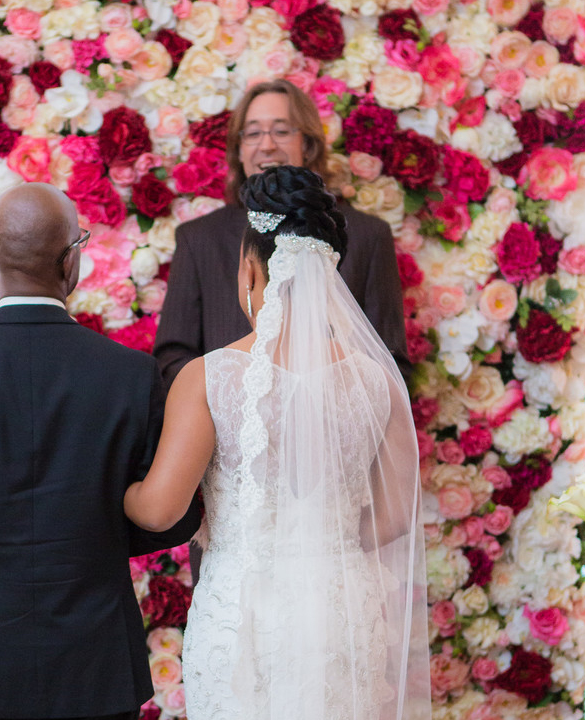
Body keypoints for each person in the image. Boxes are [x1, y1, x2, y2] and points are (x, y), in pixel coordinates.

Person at [0, 182, 201, 720]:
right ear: (71, 259)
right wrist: (93, 525)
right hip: (96, 664)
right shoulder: (131, 375)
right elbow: (172, 518)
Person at [125, 166, 431, 720]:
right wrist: (326, 542)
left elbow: (161, 508)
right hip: (341, 613)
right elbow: (395, 516)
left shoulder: (209, 378)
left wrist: (116, 487)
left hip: (244, 617)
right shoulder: (377, 380)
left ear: (248, 268)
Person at [153, 79, 408, 387]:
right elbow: (172, 357)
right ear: (239, 148)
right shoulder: (199, 238)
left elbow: (391, 362)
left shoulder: (368, 235)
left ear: (308, 144)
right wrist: (237, 402)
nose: (267, 144)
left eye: (282, 130)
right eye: (254, 132)